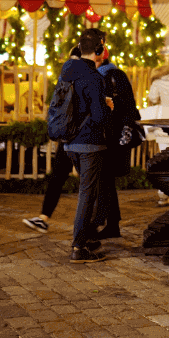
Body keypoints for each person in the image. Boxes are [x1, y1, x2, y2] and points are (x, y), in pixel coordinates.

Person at [62, 28, 113, 263]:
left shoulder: (67, 71)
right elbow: (98, 116)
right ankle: (79, 246)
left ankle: (88, 237)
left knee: (89, 191)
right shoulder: (94, 77)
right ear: (100, 49)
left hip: (70, 140)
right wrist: (107, 106)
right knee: (87, 193)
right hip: (89, 142)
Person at [24, 47, 81, 234]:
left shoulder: (73, 79)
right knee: (64, 178)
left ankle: (45, 217)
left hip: (74, 137)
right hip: (73, 137)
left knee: (75, 179)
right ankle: (44, 218)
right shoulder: (76, 79)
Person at [96, 46, 137, 240]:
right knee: (105, 180)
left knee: (105, 179)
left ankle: (104, 223)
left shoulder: (114, 75)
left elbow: (129, 106)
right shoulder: (96, 75)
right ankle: (110, 224)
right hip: (104, 134)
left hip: (114, 136)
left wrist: (125, 133)